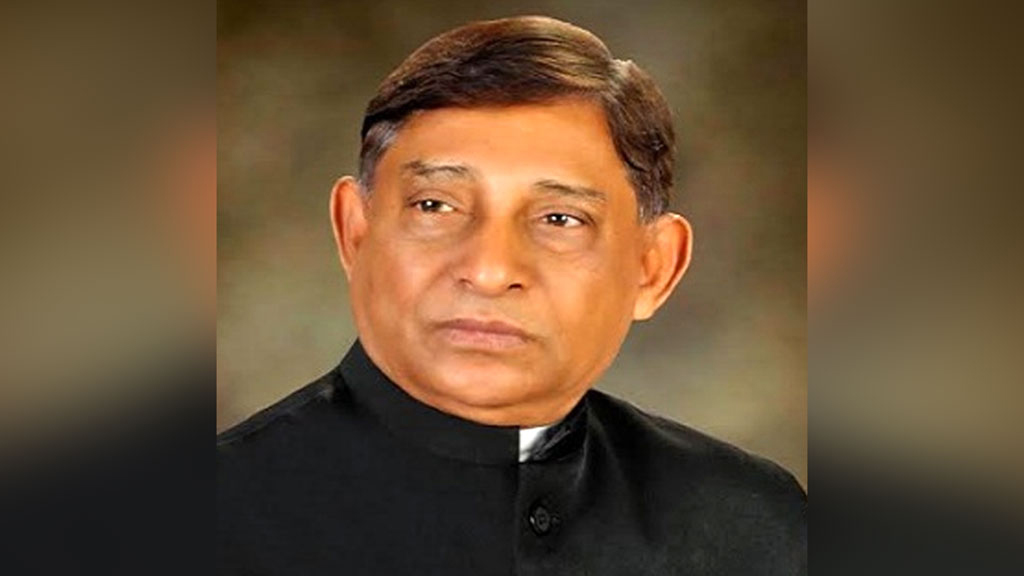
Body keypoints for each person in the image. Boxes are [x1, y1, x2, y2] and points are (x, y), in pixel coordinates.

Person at [217, 15, 806, 575]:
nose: (490, 270)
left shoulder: (754, 527)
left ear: (653, 269)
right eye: (435, 206)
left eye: (559, 219)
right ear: (355, 232)